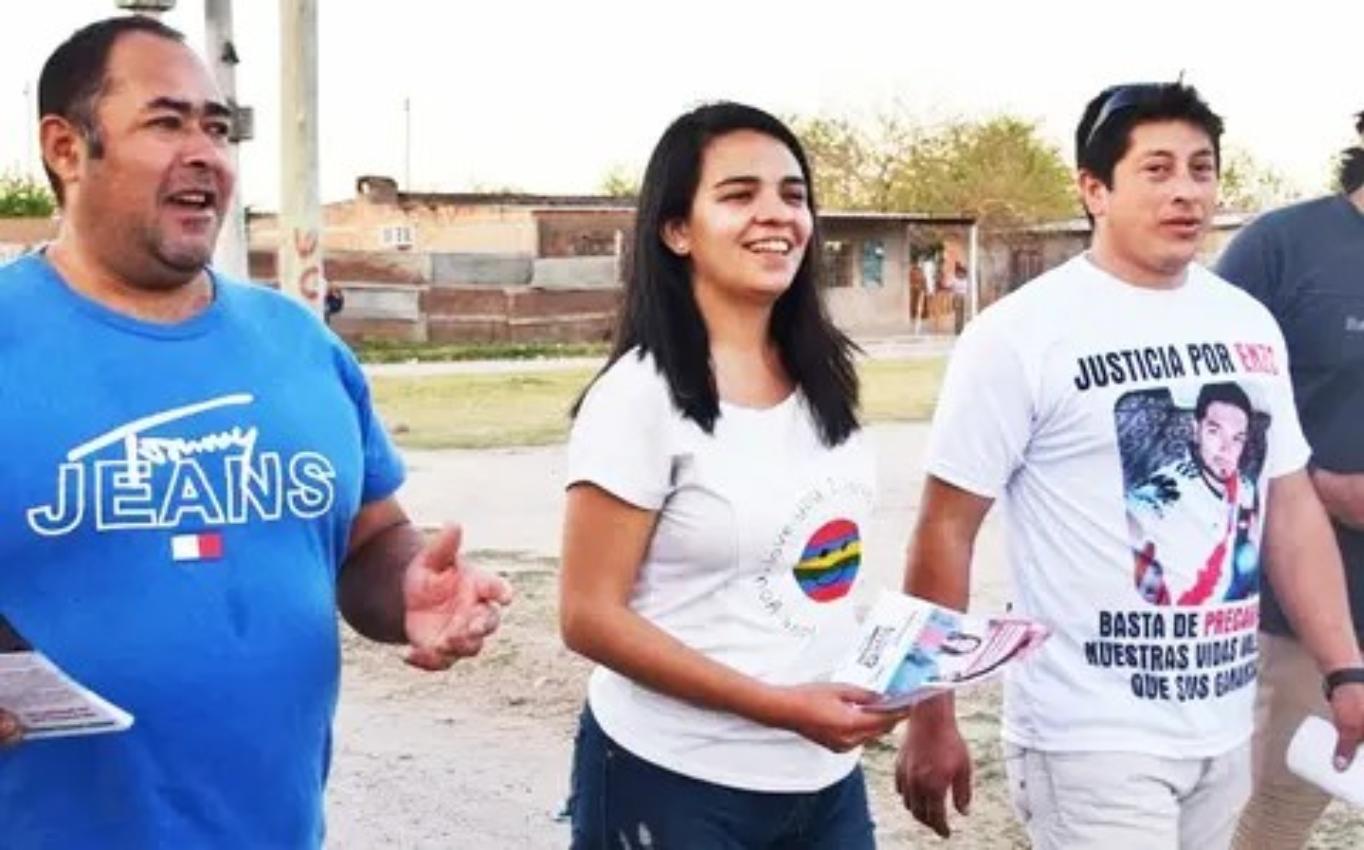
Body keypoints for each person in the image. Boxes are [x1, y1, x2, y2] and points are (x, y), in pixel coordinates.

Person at [0, 16, 512, 849]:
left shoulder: (299, 345)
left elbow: (367, 538)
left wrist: (411, 585)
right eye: (167, 122)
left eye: (218, 127)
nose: (206, 152)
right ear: (66, 148)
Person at [892, 82, 1364, 850]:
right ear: (1093, 189)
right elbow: (945, 529)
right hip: (1088, 733)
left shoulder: (1245, 325)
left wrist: (1345, 669)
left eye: (1201, 169)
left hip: (1218, 720)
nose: (1186, 191)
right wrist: (929, 710)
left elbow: (1288, 507)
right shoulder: (1021, 333)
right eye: (1156, 169)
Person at [558, 101, 905, 849]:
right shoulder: (638, 397)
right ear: (677, 230)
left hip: (820, 782)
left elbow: (815, 568)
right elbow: (587, 615)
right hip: (674, 781)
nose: (776, 215)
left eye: (793, 193)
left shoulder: (827, 378)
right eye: (739, 194)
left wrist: (905, 668)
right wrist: (778, 705)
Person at [1219, 111, 1364, 850]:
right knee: (1278, 803)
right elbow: (1208, 401)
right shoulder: (1283, 247)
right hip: (1309, 596)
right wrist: (1317, 485)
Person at [1126, 382, 1262, 606]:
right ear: (1195, 429)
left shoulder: (1246, 487)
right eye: (1214, 432)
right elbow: (1134, 515)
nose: (1225, 448)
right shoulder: (1167, 489)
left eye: (1237, 438)